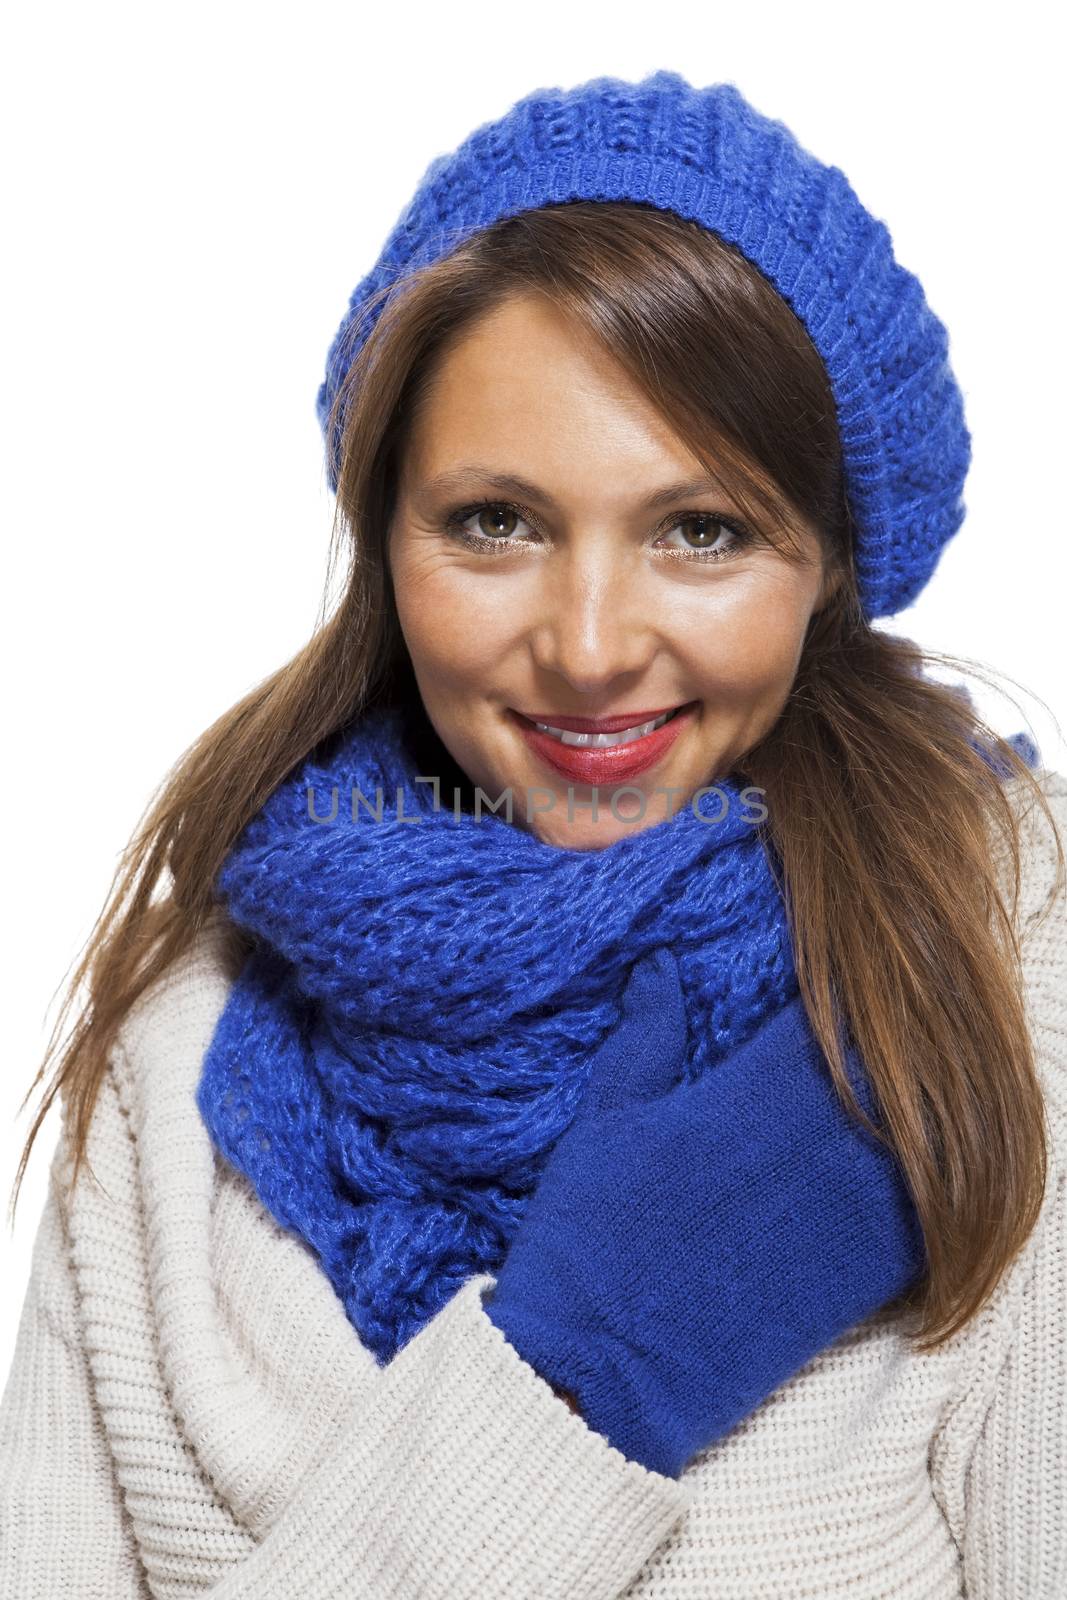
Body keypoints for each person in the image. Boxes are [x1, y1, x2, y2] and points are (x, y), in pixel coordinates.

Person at [2, 68, 1065, 1599]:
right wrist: (582, 1376)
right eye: (495, 521)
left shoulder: (996, 978)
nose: (586, 645)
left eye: (701, 530)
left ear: (827, 564)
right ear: (387, 536)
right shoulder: (173, 1078)